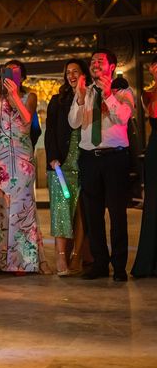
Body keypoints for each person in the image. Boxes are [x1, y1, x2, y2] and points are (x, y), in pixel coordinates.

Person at [0, 30, 45, 273]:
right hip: (1, 158)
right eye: (8, 71)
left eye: (16, 72)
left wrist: (15, 94)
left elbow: (27, 121)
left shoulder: (29, 96)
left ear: (22, 77)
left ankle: (24, 262)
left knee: (22, 206)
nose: (11, 75)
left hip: (23, 159)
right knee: (0, 207)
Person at [69, 49, 134, 281]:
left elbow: (123, 117)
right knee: (93, 214)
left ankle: (118, 267)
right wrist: (78, 98)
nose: (95, 64)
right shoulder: (84, 91)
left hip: (115, 157)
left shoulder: (124, 92)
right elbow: (73, 122)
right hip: (89, 157)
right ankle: (99, 264)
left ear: (112, 66)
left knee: (117, 214)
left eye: (100, 61)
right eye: (93, 61)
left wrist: (108, 94)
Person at [45, 59, 93, 276]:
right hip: (62, 163)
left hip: (86, 160)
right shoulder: (57, 100)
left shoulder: (92, 96)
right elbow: (50, 132)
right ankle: (61, 258)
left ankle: (77, 257)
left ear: (84, 74)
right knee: (61, 209)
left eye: (76, 71)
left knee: (83, 212)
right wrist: (53, 157)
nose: (71, 76)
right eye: (68, 72)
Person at [132, 55, 157, 277]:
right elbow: (154, 112)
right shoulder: (147, 94)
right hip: (155, 149)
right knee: (153, 205)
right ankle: (149, 262)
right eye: (155, 65)